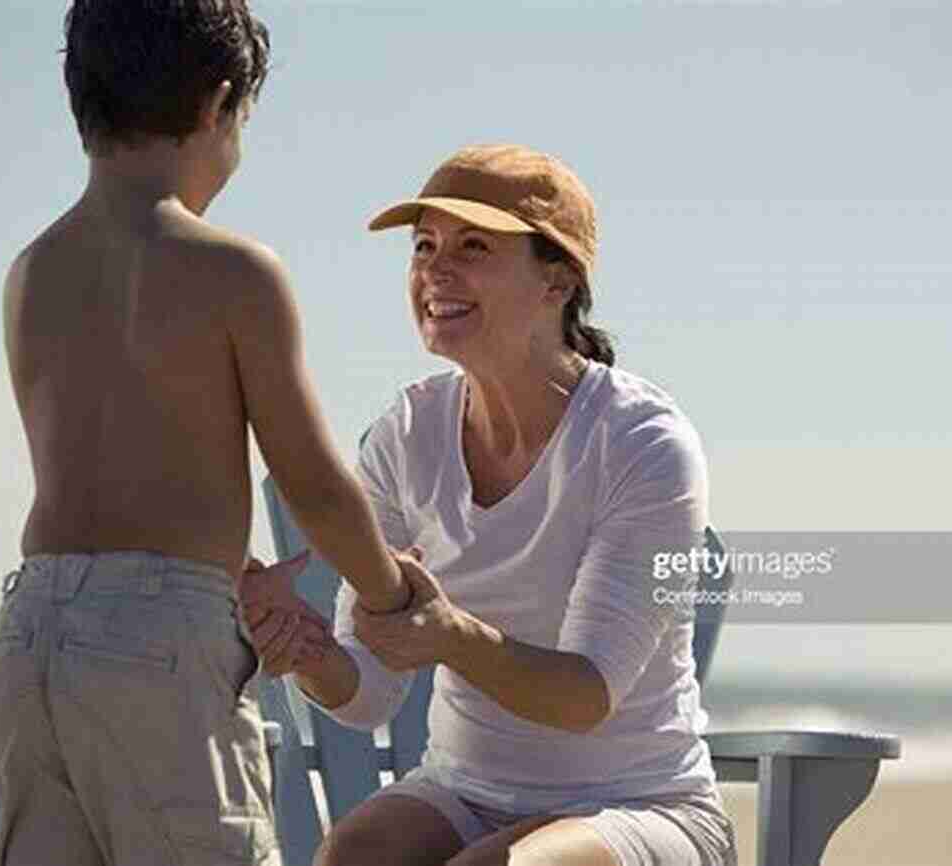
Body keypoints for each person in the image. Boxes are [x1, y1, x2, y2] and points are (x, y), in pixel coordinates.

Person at [0, 3, 411, 864]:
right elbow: (312, 479)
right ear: (217, 106)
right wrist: (390, 594)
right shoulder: (233, 270)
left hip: (29, 633)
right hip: (160, 642)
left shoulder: (33, 270)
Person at [242, 145, 737, 866]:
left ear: (558, 279)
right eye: (424, 246)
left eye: (473, 246)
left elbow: (586, 696)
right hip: (464, 792)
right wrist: (309, 652)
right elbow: (370, 693)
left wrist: (450, 635)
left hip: (638, 803)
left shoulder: (641, 442)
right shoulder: (406, 436)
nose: (435, 270)